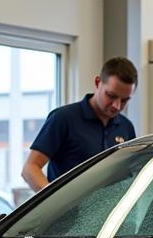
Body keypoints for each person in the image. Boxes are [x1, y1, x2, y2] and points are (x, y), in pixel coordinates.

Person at [22, 57, 137, 192]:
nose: (117, 106)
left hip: (110, 211)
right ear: (98, 82)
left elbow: (130, 174)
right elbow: (30, 169)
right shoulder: (63, 118)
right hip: (67, 211)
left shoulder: (126, 127)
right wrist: (56, 202)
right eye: (111, 96)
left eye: (124, 100)